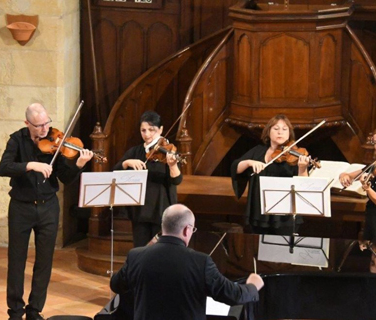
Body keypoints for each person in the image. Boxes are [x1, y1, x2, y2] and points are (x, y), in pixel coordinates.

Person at [0, 103, 93, 320]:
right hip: (21, 207)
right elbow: (3, 168)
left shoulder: (56, 142)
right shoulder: (16, 140)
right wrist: (30, 165)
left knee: (44, 261)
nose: (44, 129)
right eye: (39, 125)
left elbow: (65, 178)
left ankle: (34, 310)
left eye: (46, 123)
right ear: (27, 124)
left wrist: (78, 163)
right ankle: (15, 312)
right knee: (16, 259)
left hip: (48, 207)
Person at [110, 204, 264, 320]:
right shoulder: (201, 262)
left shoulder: (136, 256)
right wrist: (253, 286)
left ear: (163, 226)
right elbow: (233, 295)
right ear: (186, 230)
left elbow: (115, 284)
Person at [231, 114, 311, 235]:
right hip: (258, 211)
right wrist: (249, 162)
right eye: (276, 128)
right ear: (268, 132)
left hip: (284, 216)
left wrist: (303, 168)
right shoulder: (258, 151)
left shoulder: (294, 155)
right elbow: (236, 168)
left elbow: (303, 185)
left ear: (289, 134)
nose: (280, 132)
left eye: (285, 129)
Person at [113, 111, 182, 247]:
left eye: (152, 130)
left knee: (160, 252)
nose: (147, 134)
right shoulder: (135, 151)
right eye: (143, 130)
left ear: (161, 129)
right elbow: (116, 171)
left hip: (161, 209)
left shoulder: (168, 151)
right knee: (140, 250)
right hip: (140, 211)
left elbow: (176, 180)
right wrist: (127, 163)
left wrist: (173, 165)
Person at [339, 124, 376, 244]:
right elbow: (353, 175)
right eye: (375, 143)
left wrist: (367, 188)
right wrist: (344, 175)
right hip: (372, 217)